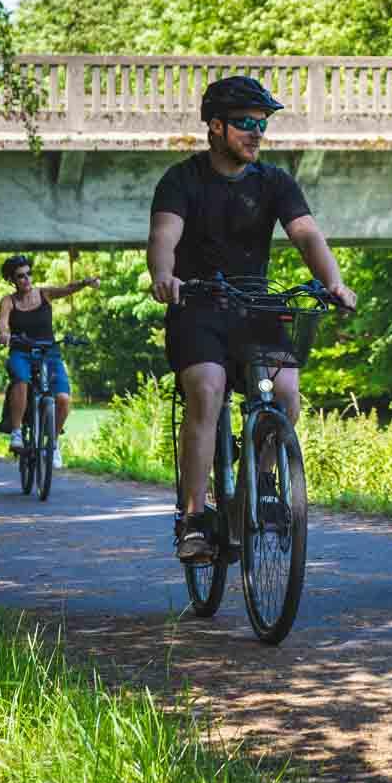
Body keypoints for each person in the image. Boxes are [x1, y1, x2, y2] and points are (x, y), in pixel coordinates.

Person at [147, 75, 358, 564]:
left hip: (255, 307)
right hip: (197, 307)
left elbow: (306, 235)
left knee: (286, 393)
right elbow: (164, 236)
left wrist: (334, 282)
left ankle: (258, 482)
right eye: (245, 124)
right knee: (207, 389)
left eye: (262, 125)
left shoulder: (274, 181)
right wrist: (163, 275)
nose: (256, 133)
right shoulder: (182, 179)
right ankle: (194, 518)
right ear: (215, 126)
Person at [0, 254, 101, 458]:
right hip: (21, 351)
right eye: (20, 276)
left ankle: (52, 444)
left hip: (49, 353)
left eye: (28, 274)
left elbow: (67, 288)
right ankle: (16, 433)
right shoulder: (8, 301)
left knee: (63, 399)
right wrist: (4, 335)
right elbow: (3, 323)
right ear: (11, 280)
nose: (26, 279)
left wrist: (86, 283)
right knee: (21, 380)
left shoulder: (44, 294)